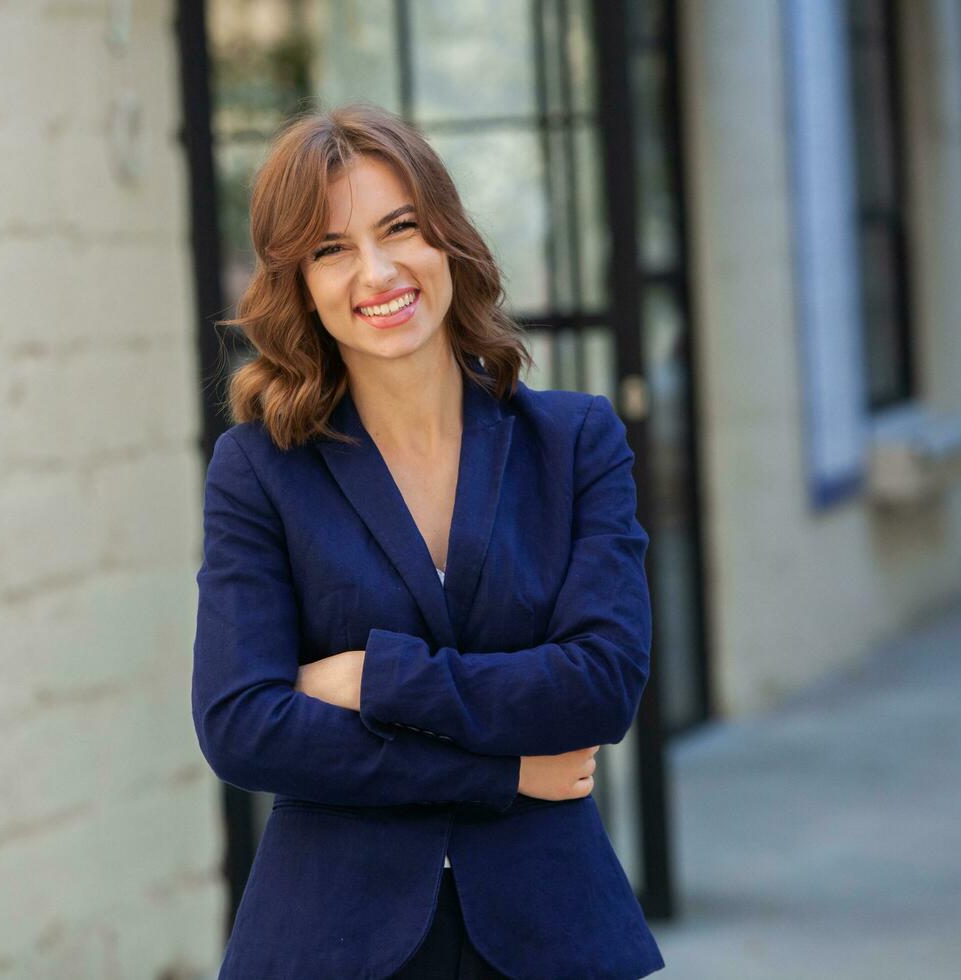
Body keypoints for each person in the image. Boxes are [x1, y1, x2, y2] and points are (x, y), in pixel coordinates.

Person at [192, 102, 665, 980]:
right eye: (331, 249)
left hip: (553, 932)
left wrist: (374, 676)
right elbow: (243, 726)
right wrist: (500, 774)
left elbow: (602, 684)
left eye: (399, 228)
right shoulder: (259, 470)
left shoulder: (575, 443)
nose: (376, 271)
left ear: (446, 238)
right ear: (298, 283)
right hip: (331, 939)